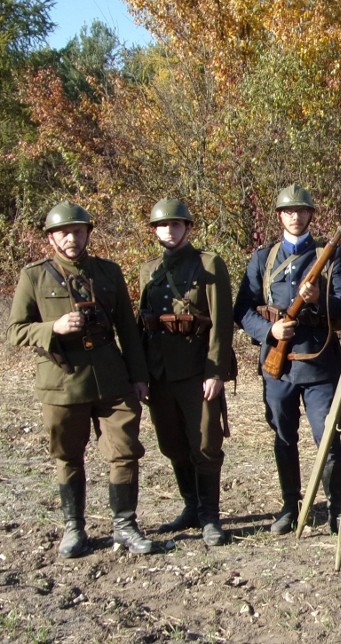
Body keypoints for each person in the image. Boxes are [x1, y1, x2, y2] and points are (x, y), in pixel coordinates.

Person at [7, 201, 154, 557]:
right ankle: (74, 529)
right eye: (63, 232)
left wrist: (139, 376)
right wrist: (52, 328)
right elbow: (15, 330)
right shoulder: (34, 275)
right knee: (68, 455)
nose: (71, 238)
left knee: (124, 452)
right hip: (62, 380)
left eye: (77, 231)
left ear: (87, 233)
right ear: (51, 238)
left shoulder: (108, 272)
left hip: (111, 376)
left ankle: (125, 525)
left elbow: (128, 331)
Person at [233, 184, 341, 539]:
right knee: (283, 437)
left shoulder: (330, 254)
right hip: (278, 364)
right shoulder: (263, 258)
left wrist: (319, 299)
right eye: (288, 211)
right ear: (280, 216)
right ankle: (290, 507)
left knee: (327, 438)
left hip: (319, 362)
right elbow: (241, 310)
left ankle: (339, 514)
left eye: (301, 210)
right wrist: (269, 329)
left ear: (310, 215)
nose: (295, 216)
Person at [139, 199, 234, 546]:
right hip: (160, 372)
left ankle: (210, 516)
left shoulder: (208, 265)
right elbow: (141, 324)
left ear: (187, 228)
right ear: (154, 231)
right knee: (172, 443)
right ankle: (191, 507)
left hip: (197, 371)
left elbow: (221, 322)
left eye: (176, 224)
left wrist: (216, 371)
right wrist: (140, 374)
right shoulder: (148, 269)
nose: (169, 230)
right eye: (162, 226)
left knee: (206, 443)